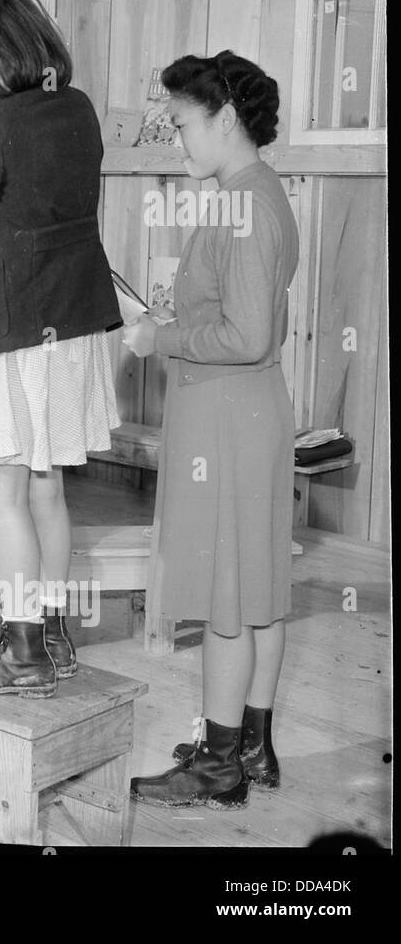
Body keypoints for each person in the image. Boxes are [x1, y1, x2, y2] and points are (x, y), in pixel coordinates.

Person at [0, 0, 121, 699]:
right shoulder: (79, 109)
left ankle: (20, 653)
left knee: (0, 491)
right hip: (71, 324)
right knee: (48, 488)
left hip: (6, 326)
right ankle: (57, 637)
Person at [124, 51, 297, 810]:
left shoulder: (249, 202)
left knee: (228, 599)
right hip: (243, 414)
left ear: (225, 117)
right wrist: (175, 320)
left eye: (183, 124)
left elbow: (249, 333)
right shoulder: (249, 193)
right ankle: (251, 745)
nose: (178, 142)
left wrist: (160, 336)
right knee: (256, 589)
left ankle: (219, 764)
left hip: (230, 418)